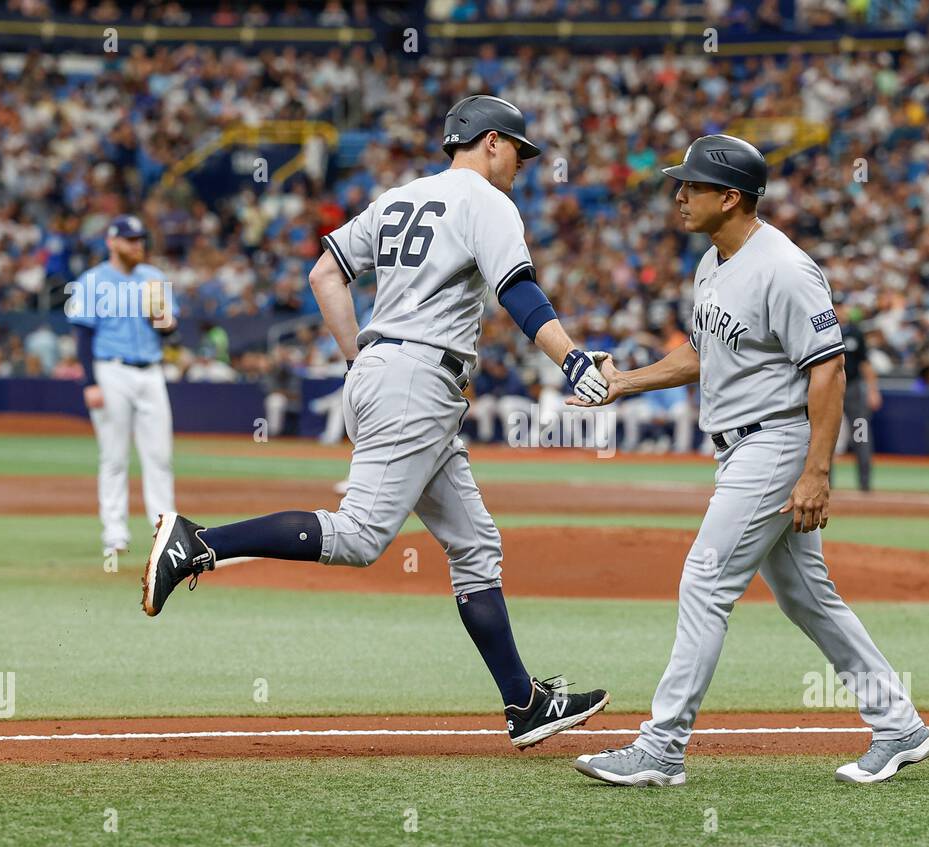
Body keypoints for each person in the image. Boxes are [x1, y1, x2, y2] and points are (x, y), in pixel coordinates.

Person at [140, 95, 611, 750]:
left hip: (391, 376)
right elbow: (519, 291)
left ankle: (523, 702)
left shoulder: (397, 198)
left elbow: (324, 273)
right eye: (519, 152)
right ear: (494, 142)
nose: (521, 167)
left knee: (475, 546)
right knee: (361, 536)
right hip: (416, 380)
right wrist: (573, 358)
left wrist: (361, 357)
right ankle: (200, 541)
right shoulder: (487, 203)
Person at [572, 134, 929, 787]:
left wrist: (817, 472)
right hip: (743, 444)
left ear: (730, 196)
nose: (679, 196)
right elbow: (701, 352)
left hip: (774, 442)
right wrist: (626, 381)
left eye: (691, 186)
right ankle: (898, 723)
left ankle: (662, 746)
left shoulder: (785, 267)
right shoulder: (713, 262)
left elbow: (828, 369)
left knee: (705, 582)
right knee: (807, 599)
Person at [68, 215, 177, 553]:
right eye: (130, 240)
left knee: (160, 454)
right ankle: (114, 533)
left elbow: (169, 329)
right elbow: (83, 334)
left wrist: (162, 318)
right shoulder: (92, 280)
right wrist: (90, 382)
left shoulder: (154, 278)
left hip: (151, 370)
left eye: (141, 239)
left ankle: (164, 529)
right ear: (112, 242)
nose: (137, 245)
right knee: (114, 455)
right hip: (110, 370)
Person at [835, 309, 881, 491]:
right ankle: (826, 484)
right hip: (832, 389)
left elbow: (865, 363)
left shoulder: (855, 333)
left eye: (840, 305)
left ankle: (864, 484)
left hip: (853, 388)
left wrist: (873, 390)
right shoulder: (824, 330)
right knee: (825, 433)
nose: (839, 310)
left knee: (861, 434)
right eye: (835, 305)